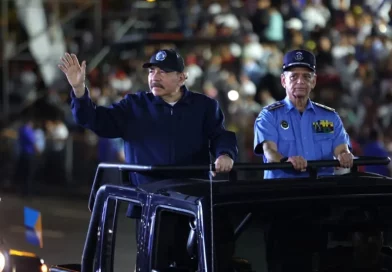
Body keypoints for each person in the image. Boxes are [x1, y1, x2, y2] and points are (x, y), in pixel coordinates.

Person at [58, 49, 237, 183]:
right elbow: (94, 119)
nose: (155, 77)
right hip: (147, 198)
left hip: (192, 194)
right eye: (152, 71)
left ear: (181, 78)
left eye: (163, 72)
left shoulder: (204, 106)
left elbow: (219, 135)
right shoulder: (134, 105)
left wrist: (224, 154)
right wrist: (78, 89)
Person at [253, 49, 353, 179]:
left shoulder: (329, 117)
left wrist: (344, 155)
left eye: (306, 76)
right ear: (283, 81)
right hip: (281, 191)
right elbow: (270, 152)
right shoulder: (269, 116)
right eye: (294, 76)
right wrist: (286, 161)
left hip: (322, 192)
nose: (300, 82)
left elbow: (341, 149)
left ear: (314, 81)